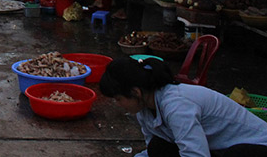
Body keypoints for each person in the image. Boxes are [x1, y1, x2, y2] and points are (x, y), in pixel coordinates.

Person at [100, 56, 267, 157]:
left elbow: (195, 154)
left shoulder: (177, 105)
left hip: (256, 147)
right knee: (158, 148)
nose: (118, 105)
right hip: (218, 149)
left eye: (118, 99)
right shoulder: (144, 109)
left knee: (237, 155)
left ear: (135, 92)